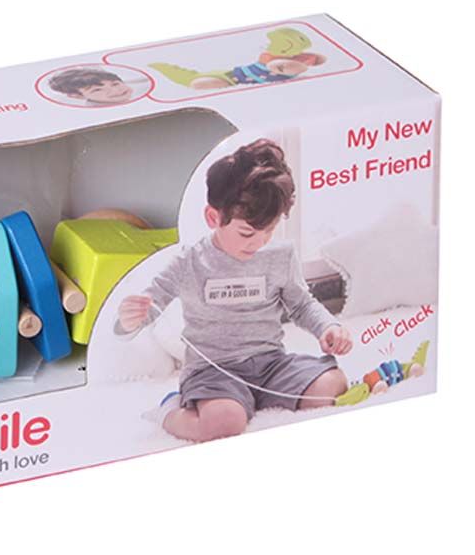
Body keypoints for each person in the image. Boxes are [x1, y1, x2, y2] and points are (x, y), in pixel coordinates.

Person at [117, 139, 351, 442]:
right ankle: (168, 410)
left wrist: (327, 326)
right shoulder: (190, 261)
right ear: (214, 218)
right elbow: (150, 305)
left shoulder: (280, 255)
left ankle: (254, 399)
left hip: (271, 364)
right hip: (213, 372)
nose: (259, 242)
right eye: (247, 232)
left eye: (269, 230)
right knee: (225, 423)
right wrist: (129, 319)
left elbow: (301, 304)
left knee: (332, 384)